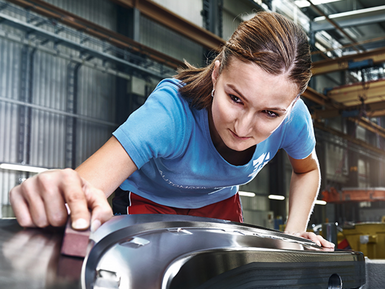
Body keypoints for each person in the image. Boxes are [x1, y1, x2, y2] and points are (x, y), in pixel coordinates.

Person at [9, 11, 334, 247]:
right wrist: (55, 197)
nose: (243, 126)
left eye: (270, 113)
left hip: (219, 206)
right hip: (147, 203)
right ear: (216, 75)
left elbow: (307, 171)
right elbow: (79, 192)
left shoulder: (294, 119)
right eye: (235, 99)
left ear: (290, 107)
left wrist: (294, 234)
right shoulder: (169, 115)